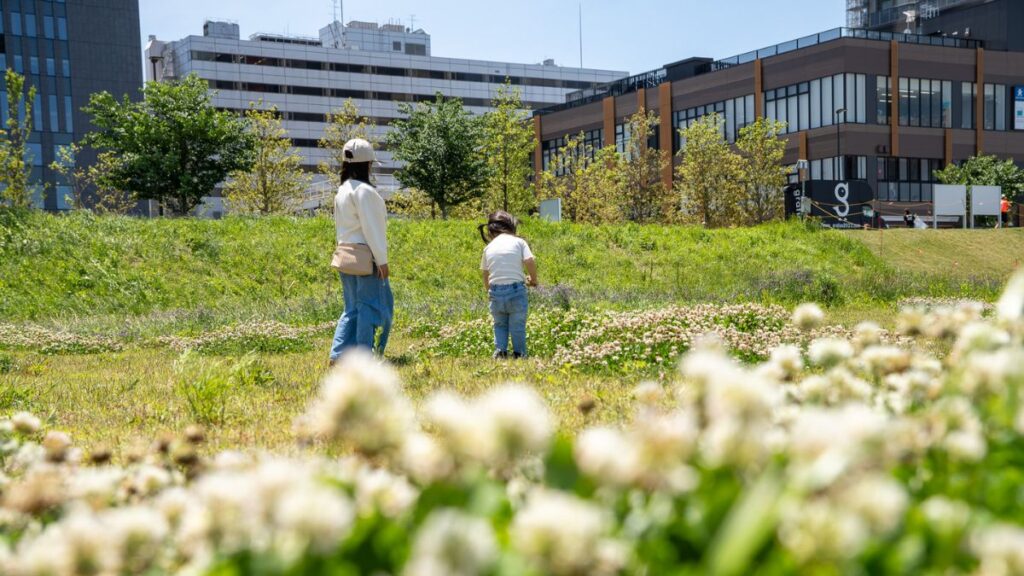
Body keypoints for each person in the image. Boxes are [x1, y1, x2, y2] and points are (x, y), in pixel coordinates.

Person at [330, 138, 392, 364]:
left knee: (351, 309)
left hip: (345, 255)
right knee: (370, 307)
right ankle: (364, 356)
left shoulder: (342, 190)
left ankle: (338, 354)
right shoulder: (365, 192)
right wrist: (382, 261)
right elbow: (372, 229)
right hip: (366, 257)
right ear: (368, 163)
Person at [479, 211, 537, 359]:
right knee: (517, 325)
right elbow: (529, 260)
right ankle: (519, 354)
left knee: (500, 324)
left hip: (495, 291)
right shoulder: (519, 242)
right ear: (511, 226)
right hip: (516, 290)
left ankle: (501, 352)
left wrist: (489, 290)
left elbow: (485, 273)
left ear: (491, 230)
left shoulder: (488, 247)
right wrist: (533, 280)